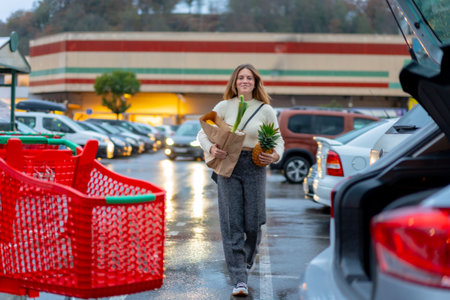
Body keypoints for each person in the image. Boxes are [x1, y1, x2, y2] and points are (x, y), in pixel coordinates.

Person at [197, 63, 284, 297]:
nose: (244, 81)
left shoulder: (265, 110)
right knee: (231, 222)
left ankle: (245, 257)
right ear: (234, 82)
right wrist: (212, 149)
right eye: (240, 77)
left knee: (254, 221)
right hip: (229, 166)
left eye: (249, 78)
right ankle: (239, 278)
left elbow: (278, 140)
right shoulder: (223, 106)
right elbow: (202, 132)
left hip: (255, 164)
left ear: (255, 83)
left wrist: (275, 155)